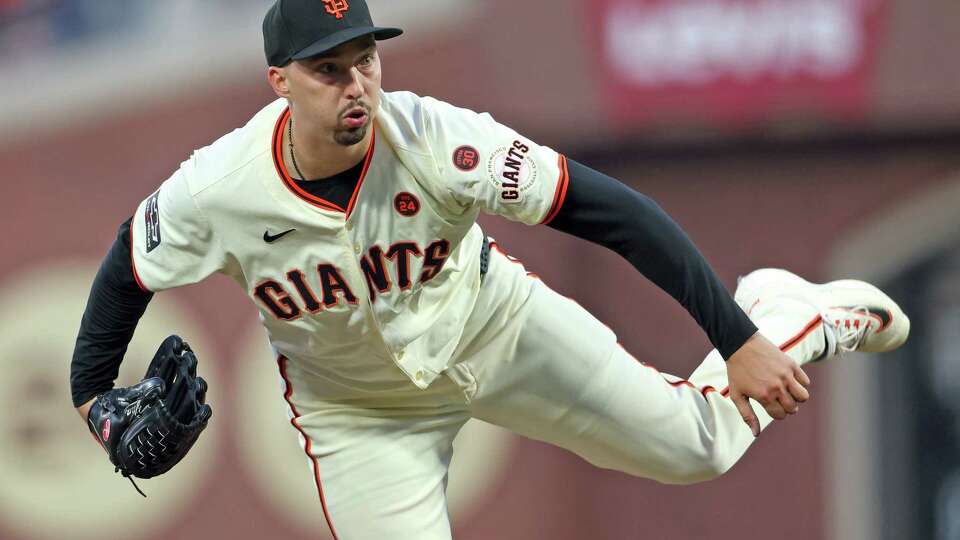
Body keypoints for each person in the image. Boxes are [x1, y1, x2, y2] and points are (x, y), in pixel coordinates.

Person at [70, 0, 910, 538]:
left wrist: (736, 339)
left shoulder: (437, 138)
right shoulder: (219, 186)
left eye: (366, 58)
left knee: (695, 448)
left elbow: (614, 212)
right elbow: (125, 270)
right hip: (360, 417)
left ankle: (791, 315)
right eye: (329, 69)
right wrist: (93, 401)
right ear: (279, 81)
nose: (356, 84)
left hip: (497, 329)